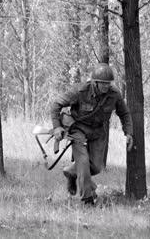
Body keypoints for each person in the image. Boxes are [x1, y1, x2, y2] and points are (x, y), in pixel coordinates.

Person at [50, 63, 133, 205]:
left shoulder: (114, 95)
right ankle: (87, 199)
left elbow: (124, 113)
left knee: (95, 167)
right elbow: (56, 104)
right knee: (83, 162)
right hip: (77, 128)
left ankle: (71, 172)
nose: (106, 87)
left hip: (97, 131)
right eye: (102, 84)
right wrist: (57, 127)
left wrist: (129, 133)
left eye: (108, 84)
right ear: (95, 82)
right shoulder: (80, 91)